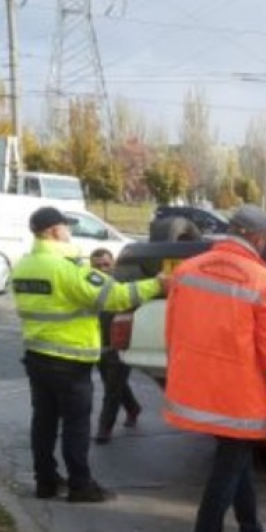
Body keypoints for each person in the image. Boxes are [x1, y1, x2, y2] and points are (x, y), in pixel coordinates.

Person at [165, 204, 266, 532]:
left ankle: (252, 531)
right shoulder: (265, 282)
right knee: (228, 469)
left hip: (199, 388)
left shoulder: (188, 270)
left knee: (236, 461)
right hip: (241, 396)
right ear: (256, 236)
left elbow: (173, 330)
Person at [12, 207, 168, 503]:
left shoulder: (23, 266)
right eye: (65, 227)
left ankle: (45, 482)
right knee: (76, 423)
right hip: (70, 361)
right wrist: (157, 284)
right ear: (53, 231)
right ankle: (80, 485)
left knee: (43, 422)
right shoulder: (68, 268)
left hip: (36, 356)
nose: (69, 232)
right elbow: (117, 296)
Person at [89, 248, 143, 444]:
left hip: (120, 344)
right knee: (113, 384)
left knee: (112, 389)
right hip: (98, 345)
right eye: (97, 266)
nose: (103, 269)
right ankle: (133, 408)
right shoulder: (88, 287)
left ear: (114, 265)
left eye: (106, 265)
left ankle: (105, 429)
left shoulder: (123, 287)